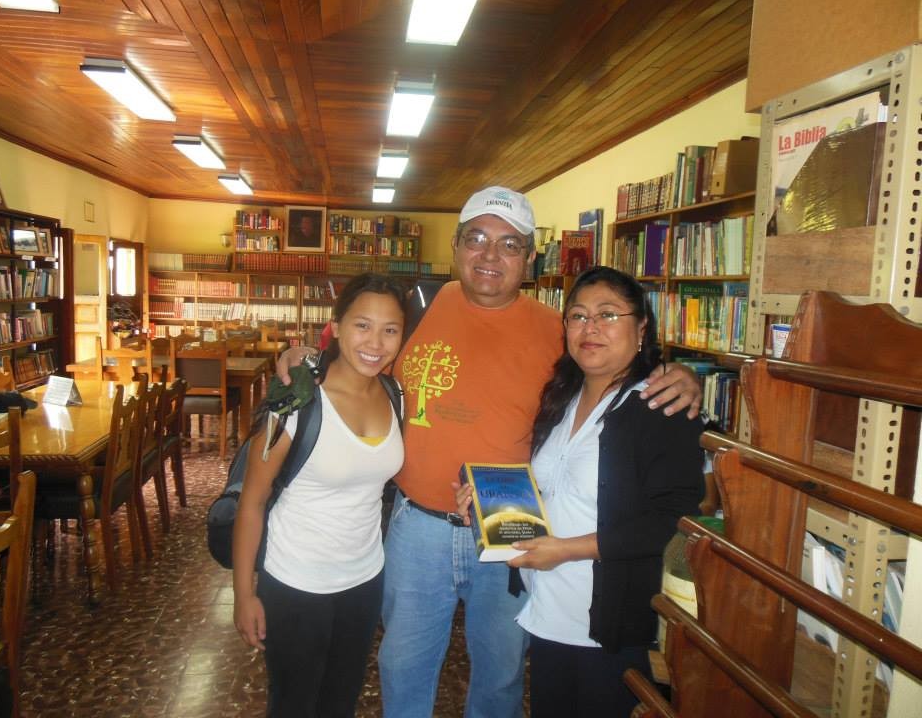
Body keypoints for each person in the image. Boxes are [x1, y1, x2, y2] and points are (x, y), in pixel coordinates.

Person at [277, 186, 702, 718]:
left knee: (501, 674)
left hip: (511, 525)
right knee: (403, 664)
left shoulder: (560, 331)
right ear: (456, 246)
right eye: (477, 238)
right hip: (418, 524)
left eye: (509, 244)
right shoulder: (416, 308)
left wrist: (677, 374)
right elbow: (357, 350)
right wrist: (304, 357)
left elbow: (614, 375)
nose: (490, 255)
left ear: (529, 258)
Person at [456, 266, 705, 717]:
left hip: (611, 624)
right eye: (578, 316)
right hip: (548, 608)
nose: (590, 328)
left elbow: (672, 519)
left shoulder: (661, 405)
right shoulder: (561, 396)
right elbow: (551, 489)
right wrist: (489, 503)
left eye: (608, 315)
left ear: (641, 328)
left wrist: (569, 550)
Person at [233, 272, 407, 718]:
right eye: (362, 325)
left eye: (390, 330)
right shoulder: (295, 400)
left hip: (365, 579)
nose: (376, 342)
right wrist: (243, 593)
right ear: (336, 327)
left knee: (341, 700)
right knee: (293, 703)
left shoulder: (395, 394)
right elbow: (252, 502)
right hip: (296, 581)